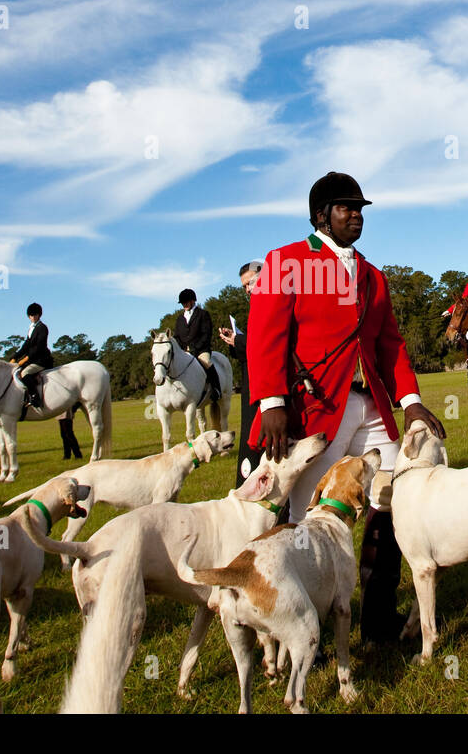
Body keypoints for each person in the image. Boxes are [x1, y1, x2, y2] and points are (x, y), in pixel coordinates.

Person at [249, 171, 446, 643]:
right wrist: (273, 401)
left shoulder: (374, 275)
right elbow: (265, 334)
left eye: (360, 208)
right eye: (346, 208)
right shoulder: (285, 262)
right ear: (321, 215)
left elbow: (391, 345)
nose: (356, 215)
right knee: (306, 520)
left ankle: (378, 615)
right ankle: (303, 626)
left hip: (371, 405)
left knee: (392, 500)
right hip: (316, 408)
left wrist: (412, 401)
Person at [219, 261, 263, 491]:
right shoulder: (255, 306)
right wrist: (233, 340)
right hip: (250, 379)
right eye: (244, 286)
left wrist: (240, 340)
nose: (247, 290)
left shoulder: (270, 304)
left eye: (250, 283)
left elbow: (264, 343)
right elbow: (249, 347)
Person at [174, 288, 220, 402]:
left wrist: (196, 347)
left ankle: (216, 389)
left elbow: (206, 334)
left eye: (186, 302)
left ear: (192, 301)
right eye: (183, 303)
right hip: (185, 351)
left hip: (201, 350)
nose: (184, 305)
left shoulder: (203, 314)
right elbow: (177, 337)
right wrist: (183, 349)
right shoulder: (180, 319)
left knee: (206, 363)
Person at [10, 303, 54, 409]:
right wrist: (15, 357)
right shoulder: (31, 328)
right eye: (31, 315)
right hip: (33, 359)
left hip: (42, 359)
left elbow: (39, 346)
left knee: (25, 373)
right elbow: (26, 345)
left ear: (39, 315)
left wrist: (26, 358)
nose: (33, 317)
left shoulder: (42, 328)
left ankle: (35, 397)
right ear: (28, 316)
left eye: (35, 315)